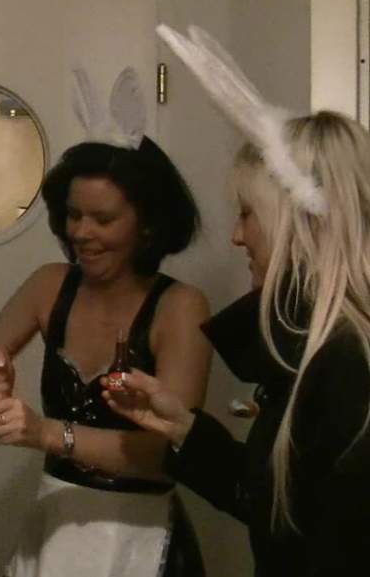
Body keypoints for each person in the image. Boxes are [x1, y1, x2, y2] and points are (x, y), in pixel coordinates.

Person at [105, 38, 370, 577]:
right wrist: (183, 428)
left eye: (248, 214)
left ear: (300, 222)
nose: (237, 236)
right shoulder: (313, 351)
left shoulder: (347, 363)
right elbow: (277, 510)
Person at [0, 134, 210, 576]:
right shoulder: (49, 285)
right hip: (56, 523)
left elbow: (169, 454)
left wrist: (47, 433)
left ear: (147, 225)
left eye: (103, 219)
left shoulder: (180, 306)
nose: (81, 232)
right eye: (73, 215)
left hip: (140, 535)